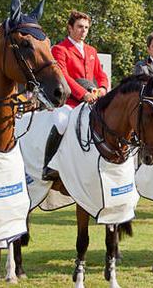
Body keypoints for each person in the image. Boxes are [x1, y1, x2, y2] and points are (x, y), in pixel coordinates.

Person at [41, 10, 109, 180]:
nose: (83, 30)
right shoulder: (59, 49)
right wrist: (83, 94)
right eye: (79, 27)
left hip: (92, 101)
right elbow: (63, 75)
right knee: (62, 122)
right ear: (70, 28)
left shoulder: (91, 50)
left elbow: (101, 74)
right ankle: (49, 165)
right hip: (69, 101)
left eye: (86, 27)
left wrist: (102, 88)